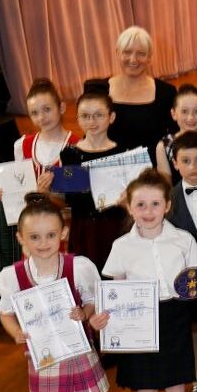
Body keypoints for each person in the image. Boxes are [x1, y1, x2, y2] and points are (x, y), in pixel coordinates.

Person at [0, 194, 109, 392]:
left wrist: (82, 312)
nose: (43, 243)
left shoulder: (78, 266)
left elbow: (92, 303)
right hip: (44, 359)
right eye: (34, 237)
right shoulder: (12, 276)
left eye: (50, 235)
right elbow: (5, 314)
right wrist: (16, 333)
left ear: (63, 233)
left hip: (77, 354)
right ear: (21, 238)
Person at [97, 169, 197, 392]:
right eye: (140, 205)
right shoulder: (121, 246)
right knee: (145, 386)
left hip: (174, 316)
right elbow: (113, 289)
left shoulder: (183, 240)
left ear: (168, 205)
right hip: (138, 323)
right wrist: (106, 318)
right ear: (129, 207)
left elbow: (193, 280)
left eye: (155, 204)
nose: (148, 212)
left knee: (175, 384)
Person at [165, 132, 197, 392]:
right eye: (186, 160)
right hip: (185, 271)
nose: (193, 166)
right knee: (194, 325)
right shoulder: (168, 198)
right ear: (175, 163)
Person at [59, 81, 130, 270]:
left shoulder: (123, 152)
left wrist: (127, 199)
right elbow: (73, 200)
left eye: (98, 115)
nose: (92, 122)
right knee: (87, 277)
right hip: (85, 229)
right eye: (85, 116)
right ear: (77, 119)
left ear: (111, 117)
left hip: (117, 226)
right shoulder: (70, 154)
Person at [107, 26, 176, 155]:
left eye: (141, 53)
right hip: (111, 169)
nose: (133, 59)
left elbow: (172, 136)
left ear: (149, 57)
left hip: (153, 169)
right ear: (117, 53)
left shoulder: (167, 93)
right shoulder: (100, 91)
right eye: (127, 52)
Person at [154, 84, 197, 182]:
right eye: (184, 111)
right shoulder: (164, 147)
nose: (190, 118)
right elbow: (166, 187)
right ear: (173, 114)